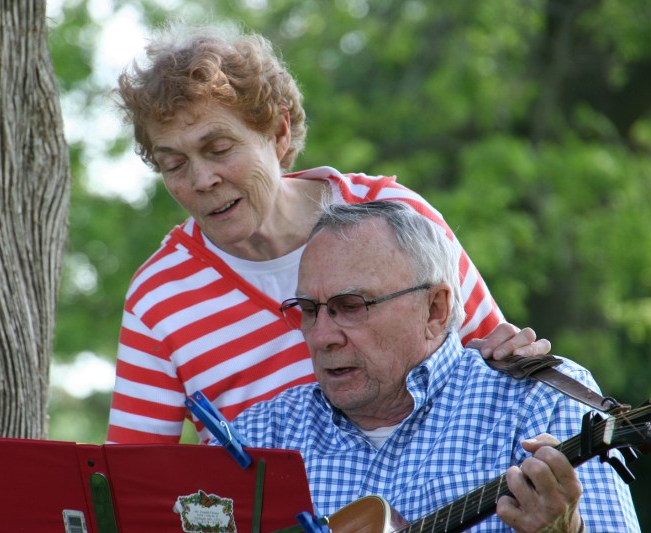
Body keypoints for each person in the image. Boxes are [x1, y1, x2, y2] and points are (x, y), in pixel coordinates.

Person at [106, 22, 550, 444]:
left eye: (219, 149)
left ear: (278, 133)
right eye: (174, 164)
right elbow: (130, 484)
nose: (202, 180)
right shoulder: (159, 298)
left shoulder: (396, 215)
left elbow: (497, 365)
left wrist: (514, 353)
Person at [227, 200, 639, 532]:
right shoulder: (258, 437)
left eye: (350, 307)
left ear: (435, 309)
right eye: (308, 310)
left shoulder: (538, 402)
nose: (320, 336)